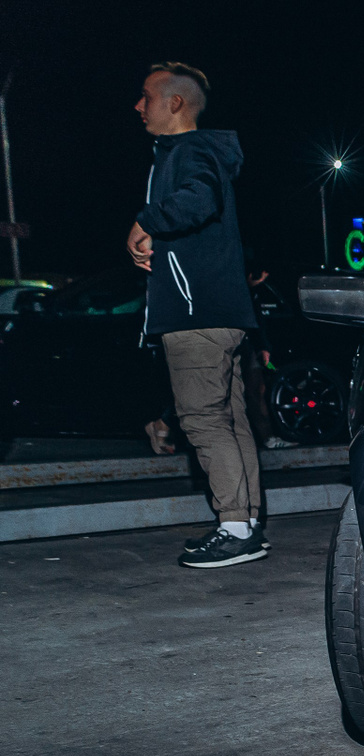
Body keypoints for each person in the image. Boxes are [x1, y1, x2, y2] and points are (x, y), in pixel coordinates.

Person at [127, 62, 267, 568]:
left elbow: (199, 200)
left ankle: (235, 529)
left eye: (146, 97)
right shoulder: (196, 152)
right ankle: (246, 523)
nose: (138, 106)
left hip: (196, 316)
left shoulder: (189, 151)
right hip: (218, 312)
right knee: (230, 420)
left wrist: (146, 221)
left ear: (175, 103)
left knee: (204, 421)